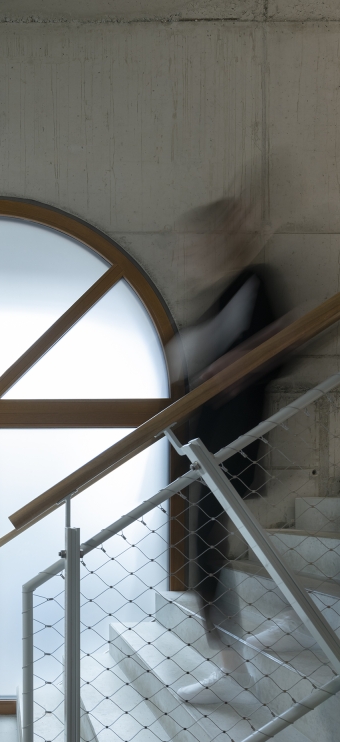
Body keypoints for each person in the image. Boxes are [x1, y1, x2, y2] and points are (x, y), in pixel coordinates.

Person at [166, 196, 283, 704]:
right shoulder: (229, 293)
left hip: (231, 441)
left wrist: (228, 362)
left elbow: (274, 348)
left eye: (194, 245)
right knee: (212, 545)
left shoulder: (252, 282)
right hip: (214, 441)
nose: (188, 256)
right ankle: (254, 645)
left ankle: (235, 667)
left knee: (206, 549)